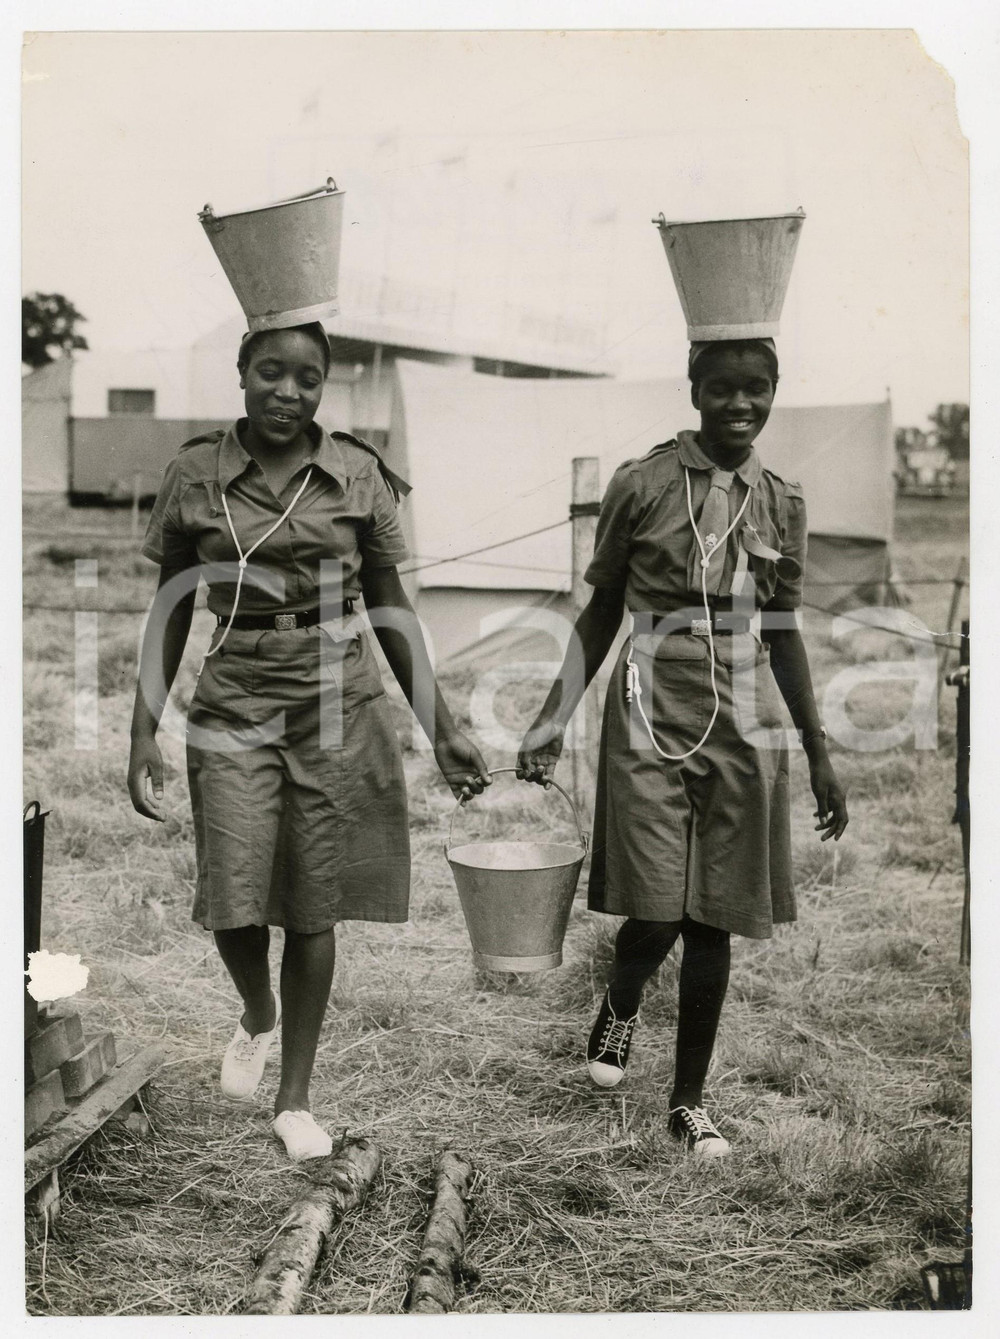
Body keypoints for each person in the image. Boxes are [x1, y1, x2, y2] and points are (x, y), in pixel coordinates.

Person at [127, 322, 490, 1162]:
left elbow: (394, 607)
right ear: (243, 374)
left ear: (326, 386)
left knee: (314, 899)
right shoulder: (195, 471)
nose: (288, 392)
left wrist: (443, 726)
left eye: (307, 379)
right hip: (233, 690)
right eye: (271, 373)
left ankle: (295, 1097)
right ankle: (258, 1010)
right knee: (233, 894)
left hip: (336, 693)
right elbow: (173, 603)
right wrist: (144, 722)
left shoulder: (358, 472)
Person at [517, 338, 848, 1157]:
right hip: (649, 706)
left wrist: (817, 748)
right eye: (725, 388)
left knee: (716, 917)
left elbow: (785, 632)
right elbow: (600, 615)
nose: (742, 404)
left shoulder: (780, 500)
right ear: (694, 388)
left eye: (759, 389)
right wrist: (553, 715)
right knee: (659, 906)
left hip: (743, 717)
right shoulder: (643, 482)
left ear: (775, 393)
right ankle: (623, 1000)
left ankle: (688, 1101)